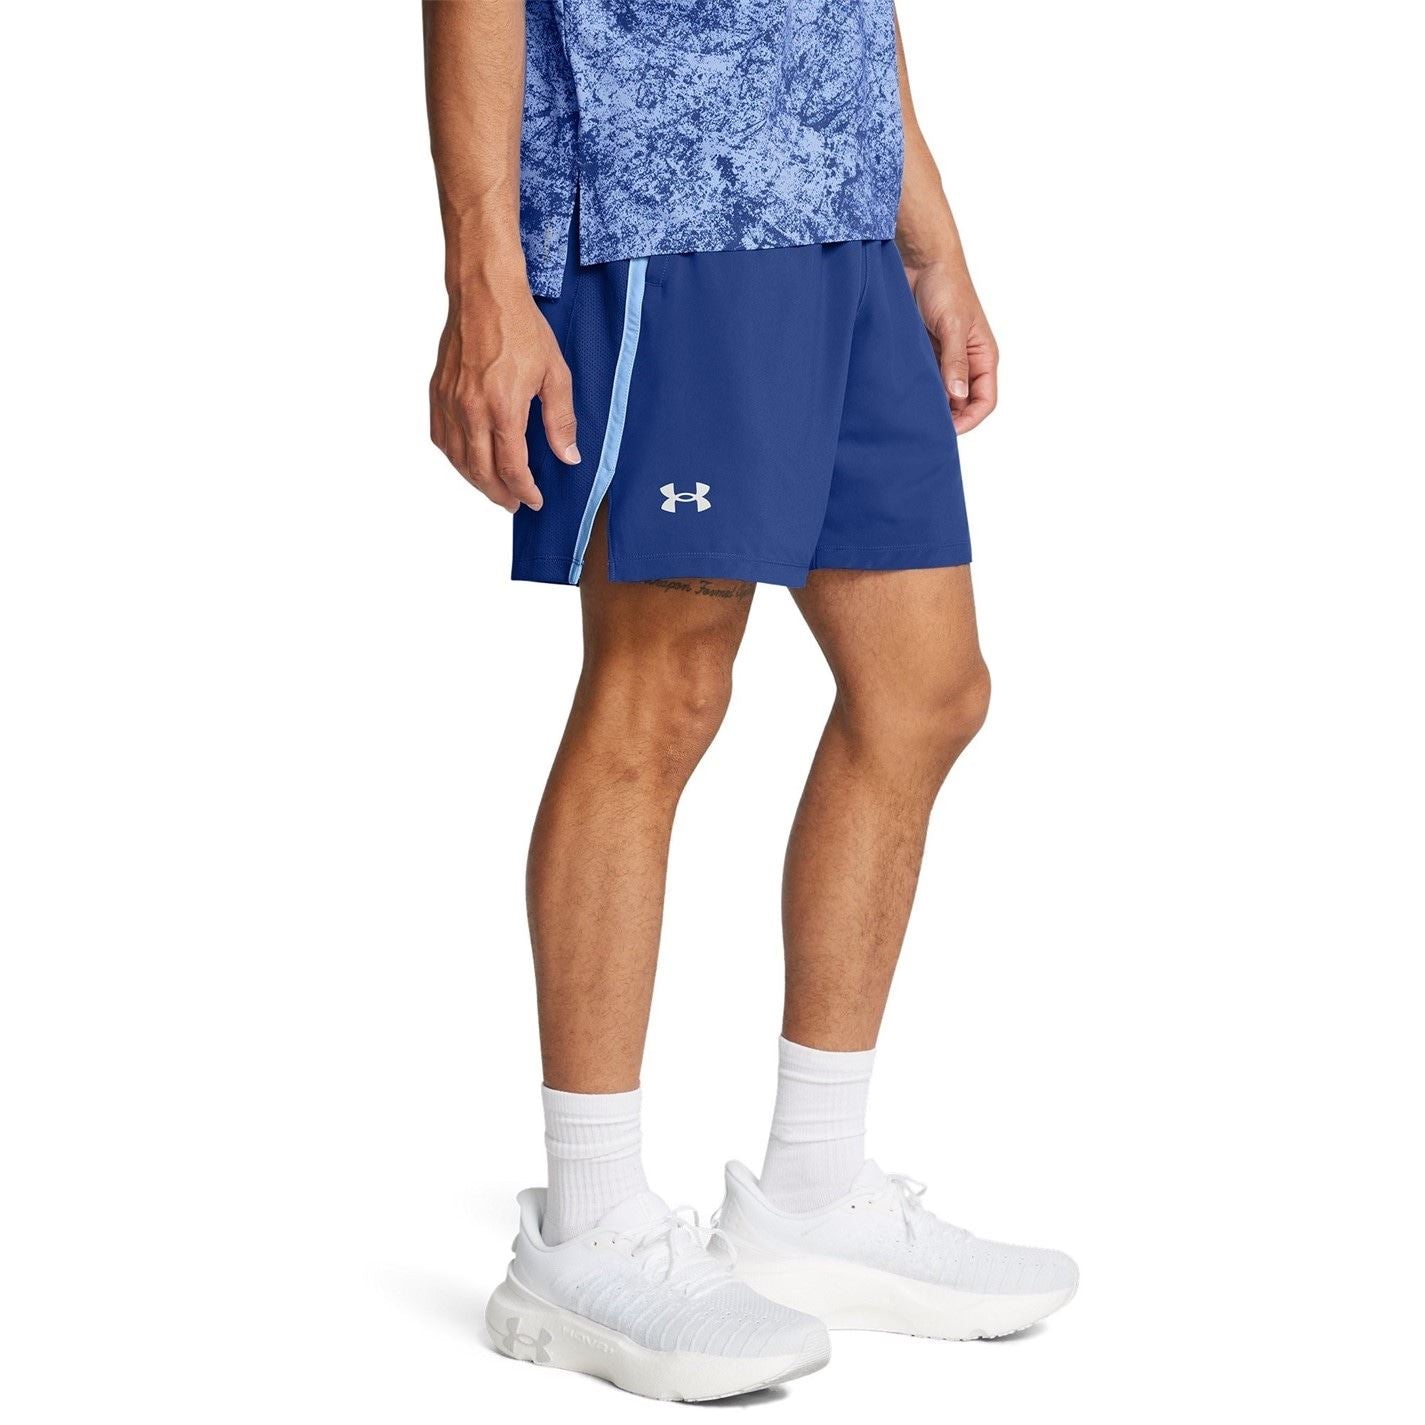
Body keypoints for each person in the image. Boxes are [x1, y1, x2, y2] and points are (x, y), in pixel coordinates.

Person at [423, 1, 1076, 1400]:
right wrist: (486, 278)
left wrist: (927, 233)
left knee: (926, 692)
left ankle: (814, 1194)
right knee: (662, 687)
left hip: (839, 208)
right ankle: (587, 1226)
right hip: (668, 211)